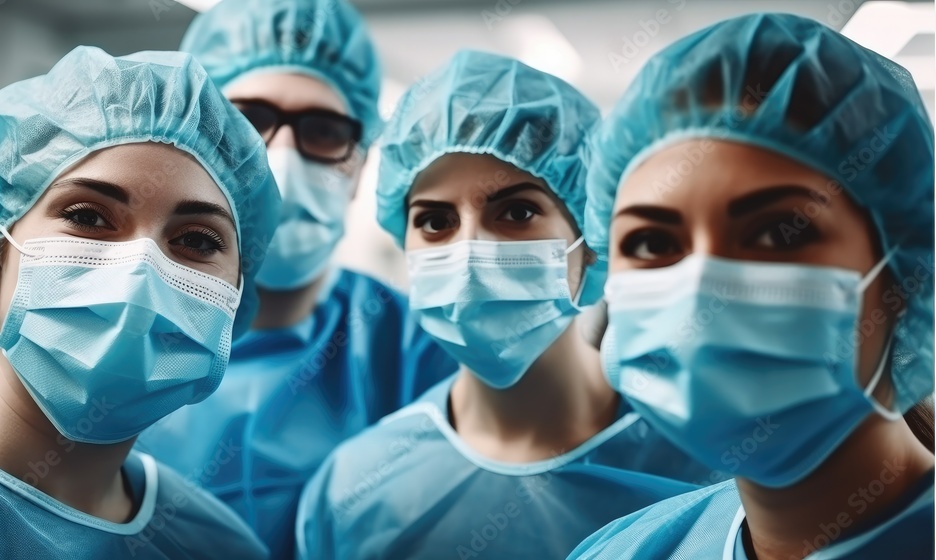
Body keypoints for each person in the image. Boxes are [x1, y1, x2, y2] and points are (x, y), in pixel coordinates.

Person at [295, 50, 723, 560]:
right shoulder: (354, 490)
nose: (469, 252)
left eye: (517, 212)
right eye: (434, 222)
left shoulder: (713, 462)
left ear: (590, 239)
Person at [568, 13, 934, 559]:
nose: (700, 289)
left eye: (774, 234)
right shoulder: (622, 549)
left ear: (902, 278)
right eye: (650, 243)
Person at [133, 0, 457, 556]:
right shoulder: (100, 318)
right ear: (192, 144)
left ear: (358, 167)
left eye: (324, 130)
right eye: (248, 120)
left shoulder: (414, 349)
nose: (280, 156)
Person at [0, 46, 281, 559]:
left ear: (235, 293)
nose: (140, 271)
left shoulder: (218, 544)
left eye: (198, 241)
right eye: (88, 216)